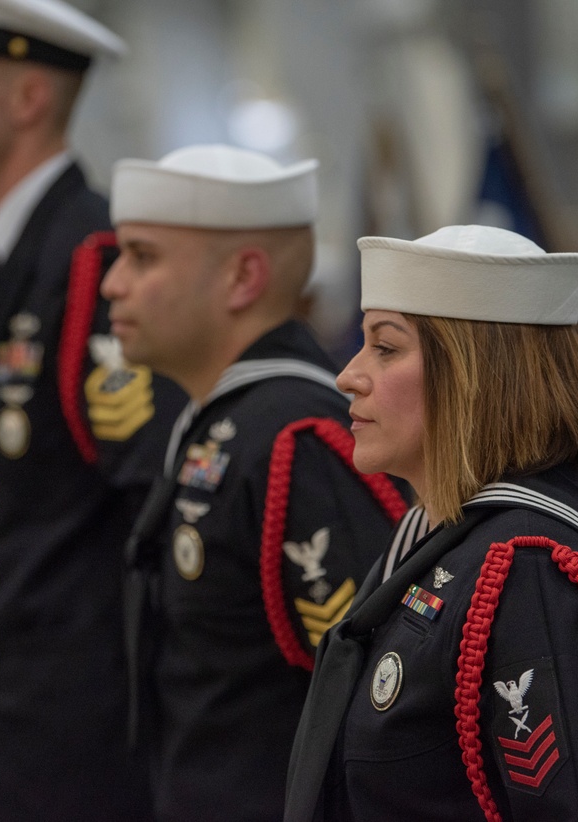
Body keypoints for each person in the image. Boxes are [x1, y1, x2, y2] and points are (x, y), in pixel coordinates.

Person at [0, 2, 184, 819]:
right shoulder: (25, 253)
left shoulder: (91, 259)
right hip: (30, 717)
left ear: (27, 99)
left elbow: (149, 505)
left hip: (90, 733)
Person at [284, 224, 578, 821]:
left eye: (385, 348)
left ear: (471, 376)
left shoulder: (524, 570)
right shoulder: (445, 541)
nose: (349, 375)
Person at [101, 144, 408, 822]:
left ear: (242, 278)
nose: (111, 284)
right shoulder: (227, 425)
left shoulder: (298, 437)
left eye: (142, 257)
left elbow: (375, 703)